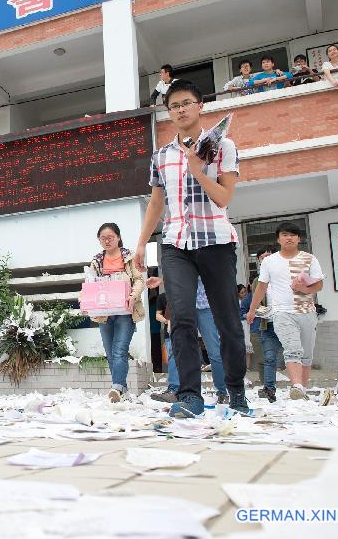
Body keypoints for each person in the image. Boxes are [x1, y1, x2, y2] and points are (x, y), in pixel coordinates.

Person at [134, 79, 249, 418]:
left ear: (200, 106)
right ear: (169, 112)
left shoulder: (223, 146)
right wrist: (142, 243)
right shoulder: (161, 155)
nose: (180, 109)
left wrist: (198, 170)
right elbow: (157, 202)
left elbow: (224, 197)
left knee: (227, 320)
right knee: (180, 318)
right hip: (175, 244)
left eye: (186, 103)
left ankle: (236, 392)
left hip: (216, 241)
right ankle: (189, 396)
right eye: (174, 106)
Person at [247, 222, 325, 400]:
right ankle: (296, 385)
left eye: (292, 235)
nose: (289, 238)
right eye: (284, 235)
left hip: (307, 311)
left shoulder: (309, 258)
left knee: (306, 354)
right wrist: (252, 310)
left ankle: (301, 390)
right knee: (292, 349)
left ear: (299, 238)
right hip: (281, 312)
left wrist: (303, 289)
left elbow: (319, 284)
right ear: (278, 238)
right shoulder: (269, 261)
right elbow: (261, 287)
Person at [83, 224, 146, 403]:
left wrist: (133, 296)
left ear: (118, 237)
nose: (107, 240)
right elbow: (89, 285)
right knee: (110, 354)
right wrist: (84, 300)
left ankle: (116, 387)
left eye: (111, 236)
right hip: (104, 314)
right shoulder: (96, 261)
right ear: (99, 240)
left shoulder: (129, 257)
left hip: (125, 312)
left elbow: (139, 280)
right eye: (103, 238)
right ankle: (122, 389)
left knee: (119, 351)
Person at [249, 246, 283, 402]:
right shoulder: (257, 281)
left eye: (269, 255)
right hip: (268, 324)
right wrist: (261, 311)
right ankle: (269, 388)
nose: (266, 259)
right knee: (269, 357)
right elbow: (256, 304)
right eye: (262, 257)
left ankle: (299, 387)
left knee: (294, 356)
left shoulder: (285, 275)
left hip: (287, 322)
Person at [195, 278, 230, 403]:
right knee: (184, 351)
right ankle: (187, 392)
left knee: (214, 351)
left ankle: (222, 391)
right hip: (185, 306)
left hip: (207, 307)